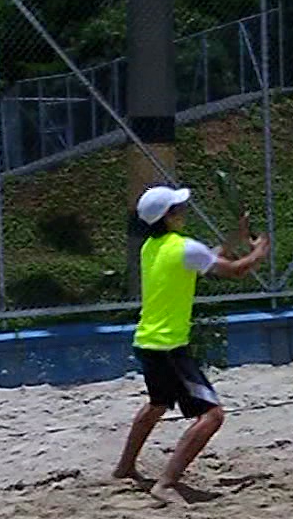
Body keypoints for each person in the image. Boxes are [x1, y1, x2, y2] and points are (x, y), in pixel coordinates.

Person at [114, 184, 270, 501]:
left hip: (146, 341)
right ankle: (167, 483)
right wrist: (260, 251)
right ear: (167, 217)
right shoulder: (184, 248)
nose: (183, 212)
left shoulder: (152, 247)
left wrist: (233, 240)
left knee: (158, 403)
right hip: (170, 346)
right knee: (213, 416)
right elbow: (236, 271)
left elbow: (207, 258)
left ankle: (125, 468)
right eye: (178, 209)